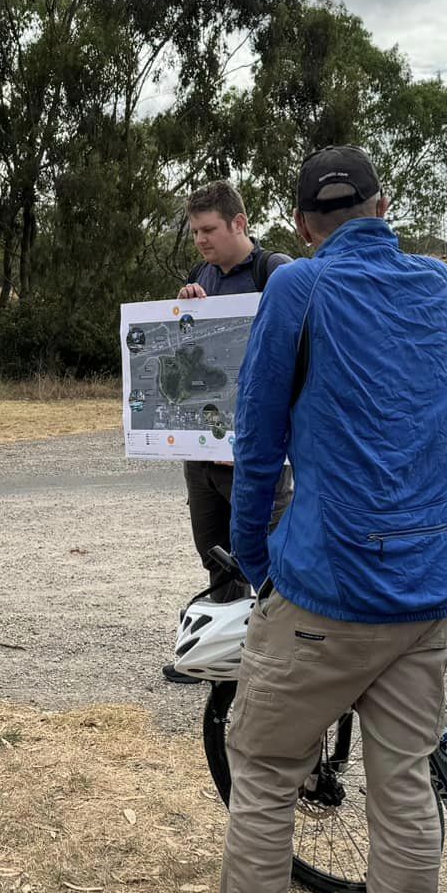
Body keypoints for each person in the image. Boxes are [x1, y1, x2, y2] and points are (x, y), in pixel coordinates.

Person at [174, 146, 447, 893]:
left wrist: (258, 562)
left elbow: (257, 440)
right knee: (405, 791)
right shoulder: (442, 287)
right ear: (384, 205)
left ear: (302, 225)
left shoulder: (297, 290)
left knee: (265, 771)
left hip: (329, 586)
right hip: (428, 584)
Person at [171, 181, 293, 617]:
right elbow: (185, 357)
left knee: (270, 562)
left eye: (208, 230)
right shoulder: (198, 275)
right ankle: (225, 648)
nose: (200, 240)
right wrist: (182, 310)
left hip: (256, 453)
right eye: (195, 231)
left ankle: (273, 643)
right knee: (217, 558)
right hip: (203, 453)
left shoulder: (275, 272)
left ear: (239, 223)